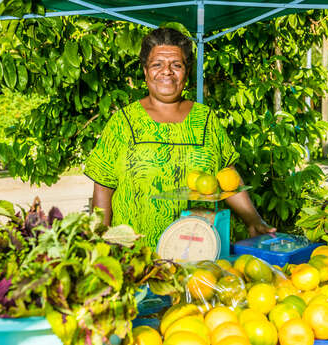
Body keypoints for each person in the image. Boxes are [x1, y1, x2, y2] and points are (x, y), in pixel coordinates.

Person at [84, 28, 275, 248]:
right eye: (157, 64)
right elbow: (103, 188)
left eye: (177, 65)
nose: (167, 72)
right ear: (145, 71)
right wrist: (99, 243)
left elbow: (227, 176)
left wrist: (254, 220)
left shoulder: (205, 119)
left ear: (187, 72)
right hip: (135, 257)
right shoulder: (122, 122)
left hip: (200, 253)